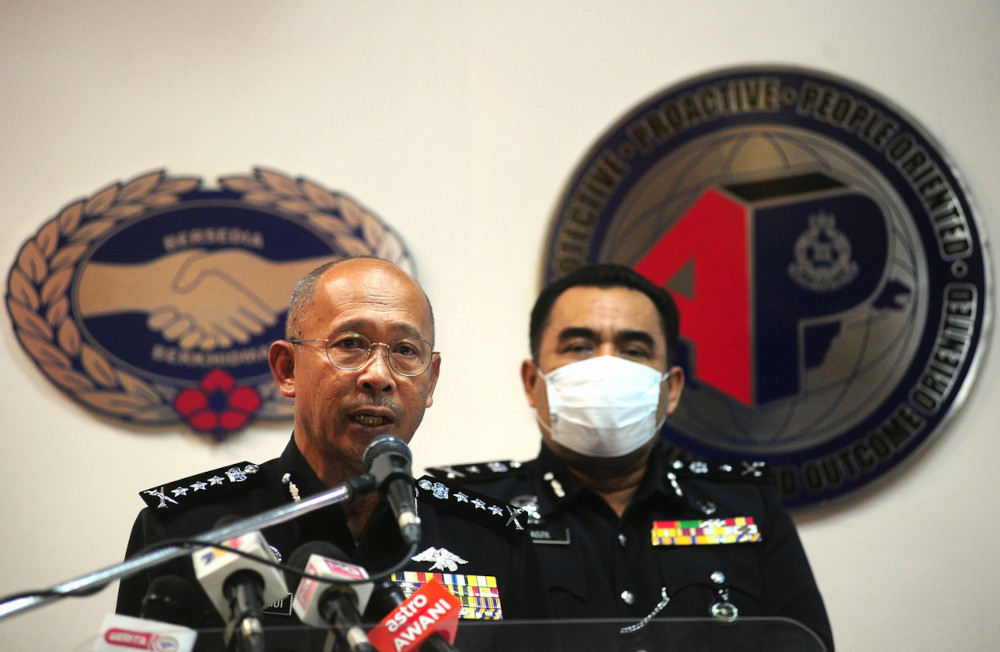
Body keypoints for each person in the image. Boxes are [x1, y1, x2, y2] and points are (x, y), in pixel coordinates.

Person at [116, 257, 549, 650]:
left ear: (430, 381)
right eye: (350, 344)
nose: (378, 376)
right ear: (287, 369)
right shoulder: (186, 530)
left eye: (404, 351)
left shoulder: (492, 540)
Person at [428, 263, 834, 651]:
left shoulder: (746, 508)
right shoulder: (470, 516)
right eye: (580, 346)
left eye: (634, 350)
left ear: (670, 390)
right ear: (533, 383)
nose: (607, 366)